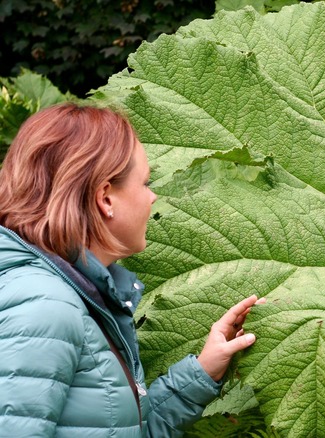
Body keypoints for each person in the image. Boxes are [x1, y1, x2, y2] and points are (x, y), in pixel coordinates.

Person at [0, 103, 262, 437]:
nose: (152, 197)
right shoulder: (44, 308)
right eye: (145, 182)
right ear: (105, 198)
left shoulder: (71, 293)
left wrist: (202, 371)